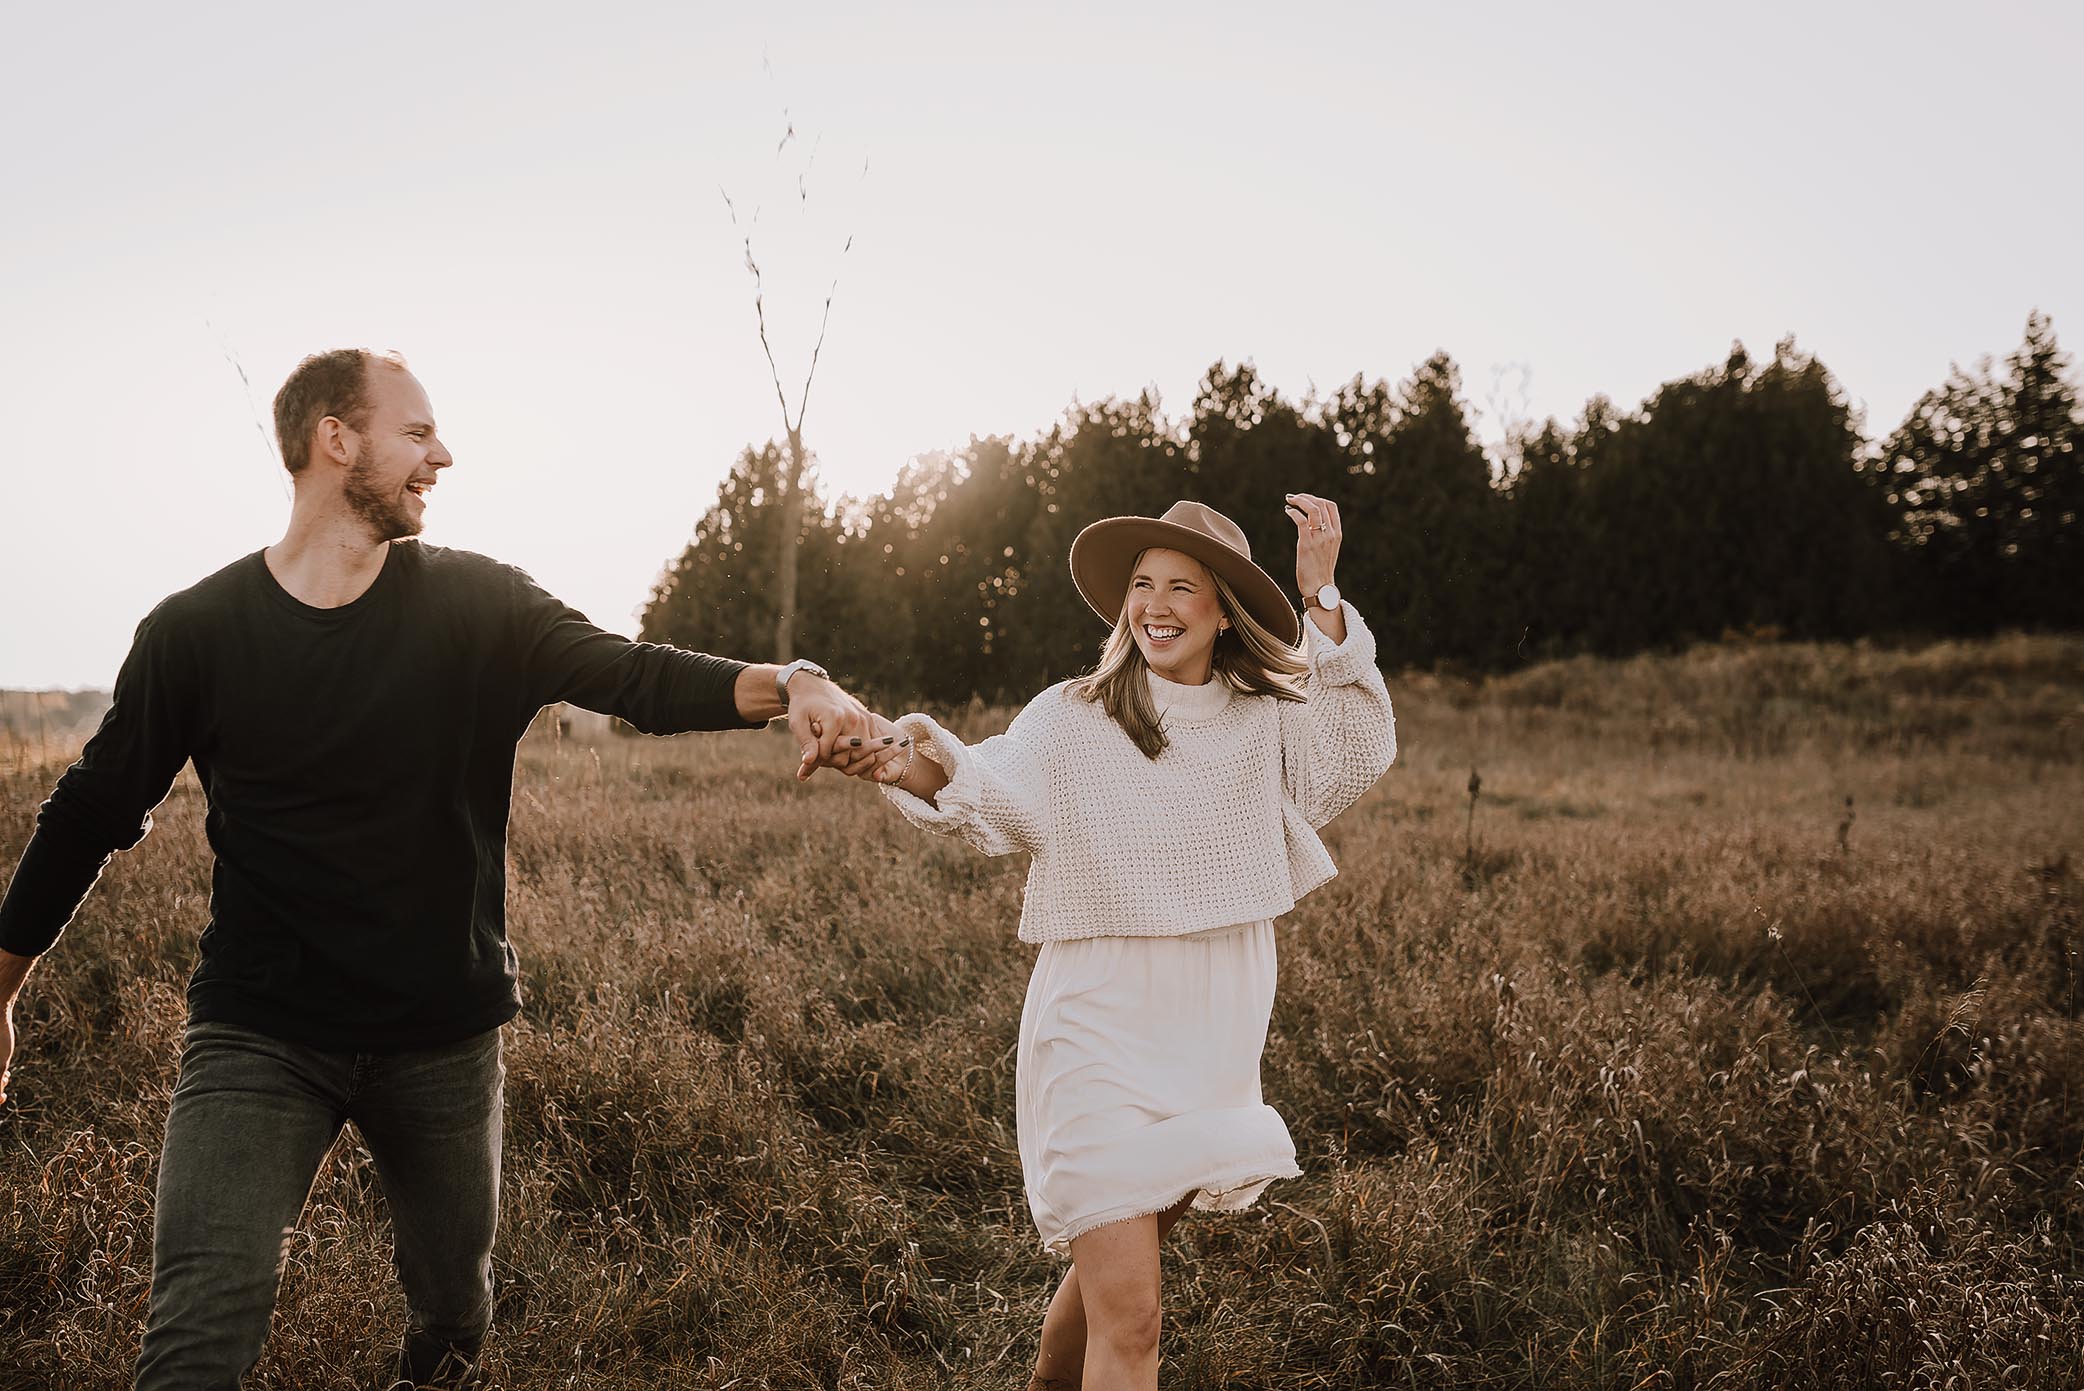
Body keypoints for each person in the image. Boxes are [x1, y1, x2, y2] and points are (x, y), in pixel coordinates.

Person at [0, 349, 889, 1390]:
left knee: (453, 1312)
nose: (444, 454)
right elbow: (95, 807)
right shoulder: (195, 633)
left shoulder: (479, 605)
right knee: (194, 1339)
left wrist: (793, 681)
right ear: (337, 438)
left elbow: (631, 674)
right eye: (417, 431)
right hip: (261, 1031)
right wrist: (3, 987)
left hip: (441, 1036)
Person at [827, 496, 1396, 1391]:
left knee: (1103, 1292)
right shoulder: (1076, 715)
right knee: (1135, 1322)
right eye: (1142, 584)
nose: (1155, 604)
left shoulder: (1262, 719)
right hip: (1097, 1027)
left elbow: (1353, 748)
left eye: (1182, 586)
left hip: (1211, 1036)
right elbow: (992, 779)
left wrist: (1320, 593)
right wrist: (903, 756)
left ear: (1223, 609)